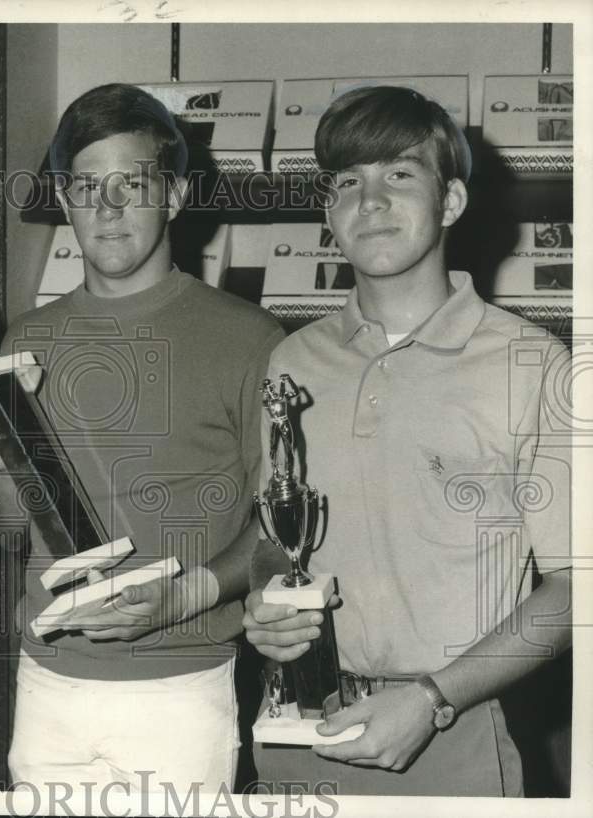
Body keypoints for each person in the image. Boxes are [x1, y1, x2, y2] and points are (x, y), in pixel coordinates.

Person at [242, 85, 572, 796]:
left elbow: (578, 590)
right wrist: (266, 600)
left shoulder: (534, 363)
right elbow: (277, 534)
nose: (371, 201)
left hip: (451, 737)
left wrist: (433, 697)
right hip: (298, 736)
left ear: (450, 201)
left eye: (399, 174)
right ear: (328, 212)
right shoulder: (291, 363)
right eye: (348, 183)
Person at [0, 83, 286, 793]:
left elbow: (282, 528)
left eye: (130, 185)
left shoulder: (250, 339)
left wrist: (186, 596)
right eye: (85, 186)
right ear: (65, 199)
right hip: (49, 678)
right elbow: (14, 527)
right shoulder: (27, 340)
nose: (105, 209)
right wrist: (0, 467)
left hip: (181, 686)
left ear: (174, 196)